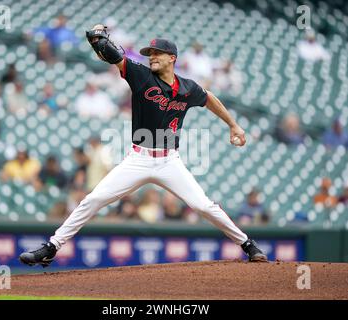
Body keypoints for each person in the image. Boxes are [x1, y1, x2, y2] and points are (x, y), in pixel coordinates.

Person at [19, 24, 267, 267]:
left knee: (203, 205)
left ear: (172, 58)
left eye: (157, 53)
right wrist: (97, 38)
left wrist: (233, 125)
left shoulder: (188, 88)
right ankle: (52, 247)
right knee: (93, 199)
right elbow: (113, 55)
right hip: (138, 159)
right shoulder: (141, 76)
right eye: (149, 54)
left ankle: (247, 244)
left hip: (170, 161)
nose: (152, 57)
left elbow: (209, 98)